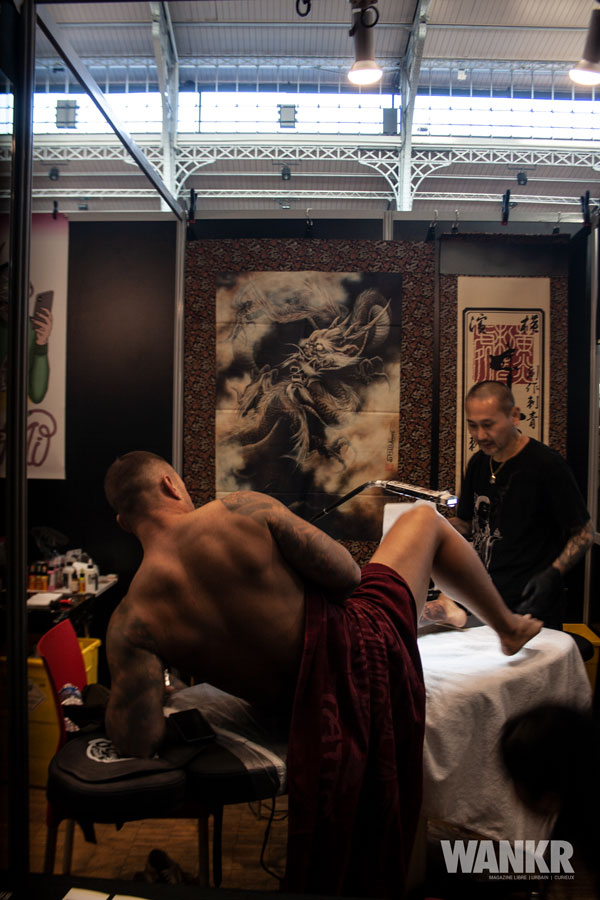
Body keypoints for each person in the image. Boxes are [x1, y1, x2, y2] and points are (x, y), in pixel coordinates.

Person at [103, 450, 541, 897]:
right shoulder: (239, 510)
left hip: (292, 710)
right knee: (423, 520)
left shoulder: (131, 620)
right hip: (358, 660)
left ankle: (456, 615)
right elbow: (347, 575)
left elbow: (137, 739)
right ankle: (508, 627)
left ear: (123, 522)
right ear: (170, 485)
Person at [449, 380, 593, 629]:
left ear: (514, 416)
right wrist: (428, 523)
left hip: (531, 604)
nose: (480, 435)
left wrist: (553, 574)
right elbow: (467, 525)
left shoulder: (546, 465)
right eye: (473, 425)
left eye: (488, 425)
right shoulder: (478, 464)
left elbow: (584, 533)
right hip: (486, 601)